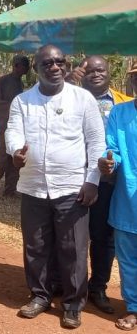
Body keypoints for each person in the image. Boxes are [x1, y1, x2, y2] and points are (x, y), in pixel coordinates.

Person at [6, 44, 106, 329]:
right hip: (34, 186)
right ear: (36, 69)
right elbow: (13, 130)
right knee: (35, 246)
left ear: (65, 64)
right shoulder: (22, 101)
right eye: (47, 63)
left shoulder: (83, 99)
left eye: (59, 62)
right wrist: (15, 151)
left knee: (72, 248)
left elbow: (96, 142)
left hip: (72, 187)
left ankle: (73, 304)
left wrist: (92, 181)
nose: (54, 67)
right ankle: (39, 296)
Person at [70, 55, 132, 315]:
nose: (96, 74)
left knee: (103, 238)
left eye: (101, 70)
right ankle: (68, 285)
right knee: (71, 236)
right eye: (90, 70)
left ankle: (98, 287)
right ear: (81, 74)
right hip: (74, 179)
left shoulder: (122, 104)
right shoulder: (69, 98)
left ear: (110, 73)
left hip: (109, 183)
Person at [98, 62, 137, 331]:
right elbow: (113, 148)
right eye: (136, 78)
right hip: (127, 199)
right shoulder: (119, 113)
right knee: (128, 258)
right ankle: (133, 308)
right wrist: (109, 162)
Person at [0, 55, 30, 198]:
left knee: (14, 157)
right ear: (17, 65)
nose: (26, 70)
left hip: (16, 126)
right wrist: (13, 106)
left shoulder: (20, 83)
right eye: (24, 66)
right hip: (2, 124)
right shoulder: (2, 81)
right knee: (1, 158)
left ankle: (10, 190)